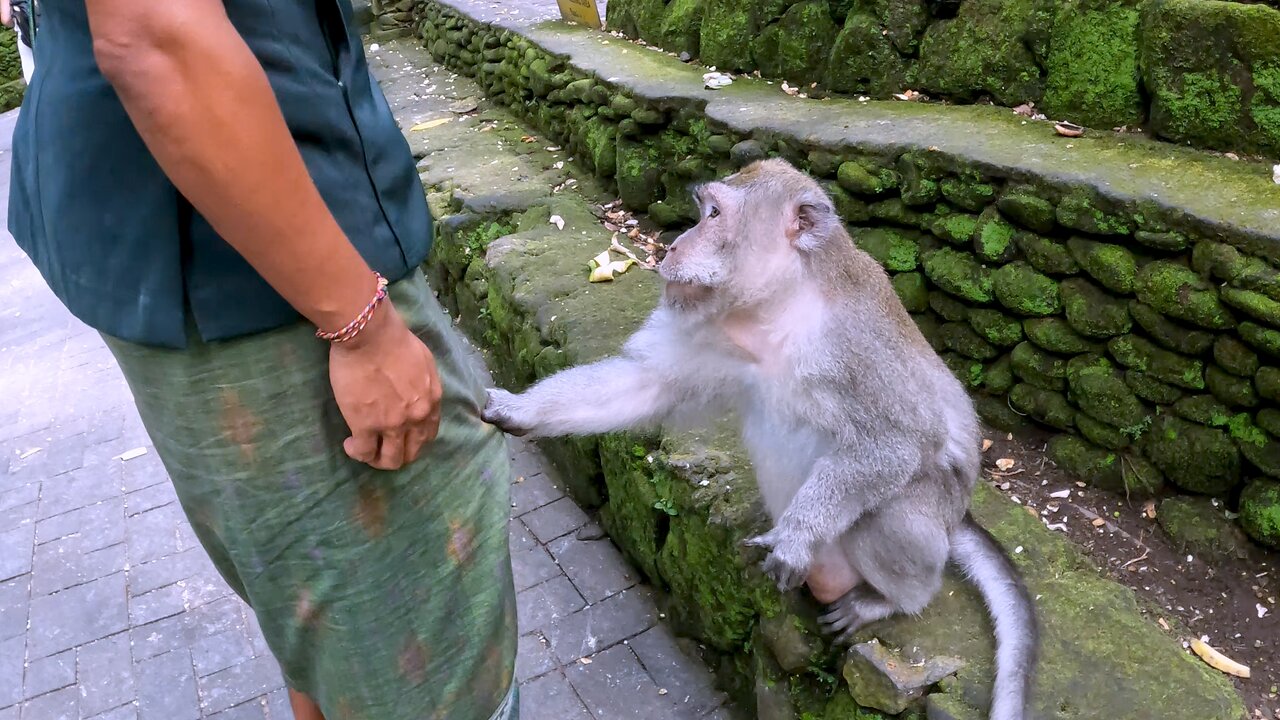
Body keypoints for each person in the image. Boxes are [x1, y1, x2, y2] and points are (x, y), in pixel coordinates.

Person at [2, 1, 519, 718]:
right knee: (427, 663)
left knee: (329, 634)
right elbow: (158, 31)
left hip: (224, 231)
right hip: (267, 278)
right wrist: (360, 326)